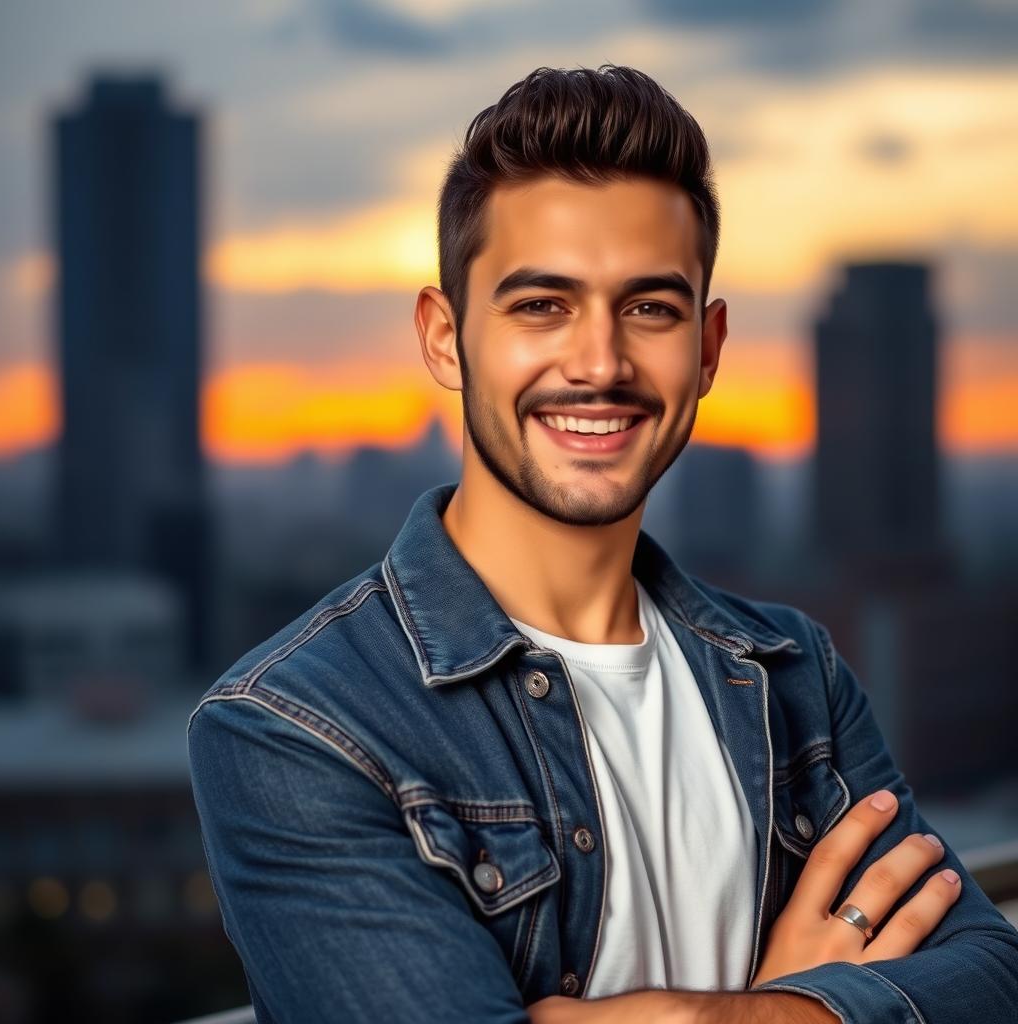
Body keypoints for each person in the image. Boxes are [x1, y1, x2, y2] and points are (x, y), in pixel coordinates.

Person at [187, 65, 1018, 1023]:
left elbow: (992, 973)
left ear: (707, 349)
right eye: (541, 305)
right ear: (444, 337)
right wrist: (828, 1000)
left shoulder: (794, 676)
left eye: (650, 308)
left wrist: (754, 1014)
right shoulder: (294, 727)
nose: (600, 363)